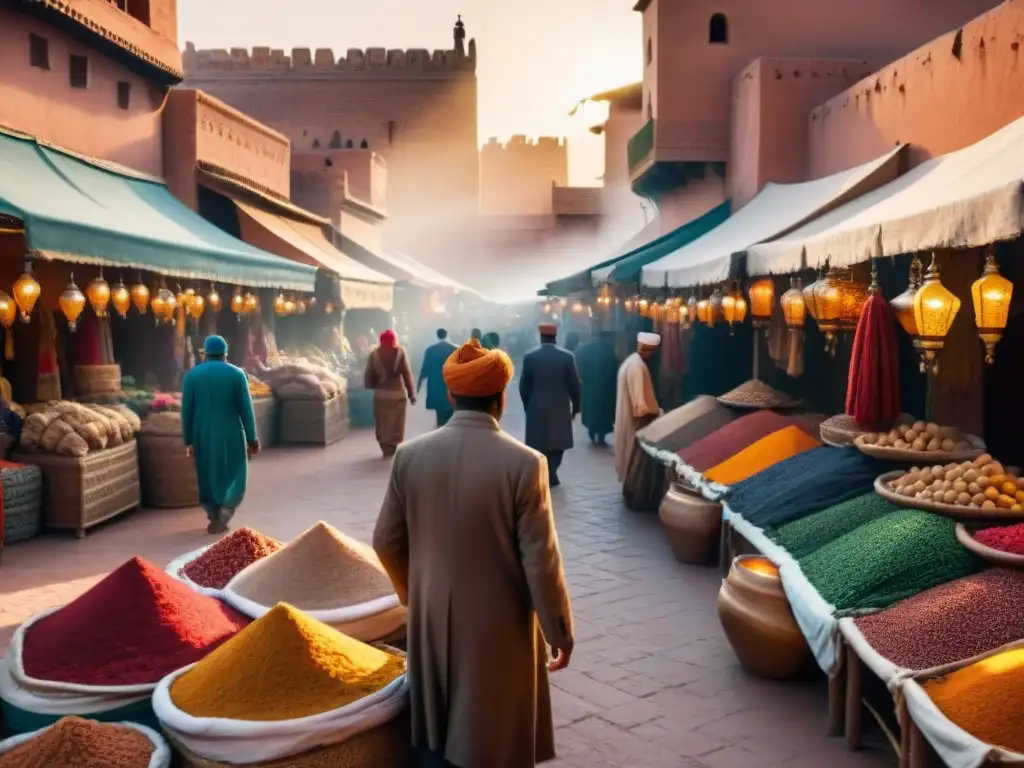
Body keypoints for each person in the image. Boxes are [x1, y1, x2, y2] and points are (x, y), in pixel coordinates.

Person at [373, 338, 574, 768]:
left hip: (428, 616)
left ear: (449, 395)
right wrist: (558, 632)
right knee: (491, 729)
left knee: (435, 727)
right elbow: (541, 562)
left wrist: (416, 592)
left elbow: (386, 541)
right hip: (497, 622)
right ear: (501, 398)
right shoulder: (525, 463)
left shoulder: (409, 456)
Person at [182, 335, 260, 534]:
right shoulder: (236, 374)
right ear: (225, 353)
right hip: (231, 431)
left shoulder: (192, 376)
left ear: (205, 353)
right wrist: (252, 438)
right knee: (235, 471)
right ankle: (227, 507)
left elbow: (186, 411)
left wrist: (188, 439)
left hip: (202, 434)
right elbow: (246, 409)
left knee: (207, 472)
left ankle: (212, 511)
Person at [520, 323, 581, 488]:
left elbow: (524, 386)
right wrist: (576, 407)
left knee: (538, 442)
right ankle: (552, 472)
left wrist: (528, 405)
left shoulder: (530, 356)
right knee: (558, 442)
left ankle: (546, 472)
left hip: (536, 406)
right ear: (555, 337)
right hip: (560, 406)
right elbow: (574, 385)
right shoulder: (567, 357)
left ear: (541, 337)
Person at [615, 332, 663, 510]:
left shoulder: (632, 361)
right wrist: (657, 412)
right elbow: (640, 404)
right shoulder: (637, 367)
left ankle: (632, 491)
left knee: (631, 458)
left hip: (631, 417)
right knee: (636, 461)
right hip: (638, 420)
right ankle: (635, 495)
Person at [365, 329, 416, 457]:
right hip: (397, 394)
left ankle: (384, 445)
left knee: (382, 421)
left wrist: (370, 385)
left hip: (381, 395)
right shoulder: (400, 352)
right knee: (397, 421)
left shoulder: (374, 354)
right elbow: (406, 374)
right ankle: (394, 444)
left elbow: (368, 374)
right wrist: (411, 393)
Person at [575, 330, 619, 446]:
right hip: (606, 386)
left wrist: (583, 377)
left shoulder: (587, 348)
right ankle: (601, 437)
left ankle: (592, 431)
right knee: (604, 412)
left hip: (590, 385)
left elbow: (579, 362)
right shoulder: (609, 349)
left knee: (592, 409)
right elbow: (615, 366)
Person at [417, 328, 458, 428]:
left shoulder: (430, 350)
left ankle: (441, 429)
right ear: (447, 335)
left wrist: (418, 385)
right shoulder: (455, 349)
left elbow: (425, 369)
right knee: (451, 408)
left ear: (437, 335)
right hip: (450, 384)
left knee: (439, 412)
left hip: (435, 385)